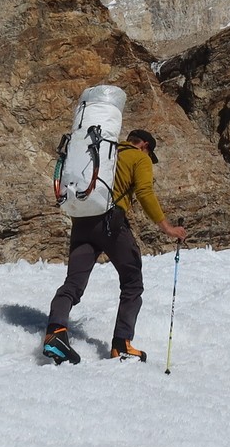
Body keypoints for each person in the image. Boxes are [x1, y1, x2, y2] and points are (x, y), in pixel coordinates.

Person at [43, 128, 186, 364]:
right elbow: (145, 192)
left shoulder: (100, 154)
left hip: (82, 222)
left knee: (73, 283)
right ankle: (121, 344)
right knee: (132, 282)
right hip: (111, 224)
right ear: (145, 146)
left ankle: (55, 333)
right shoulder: (138, 158)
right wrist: (168, 228)